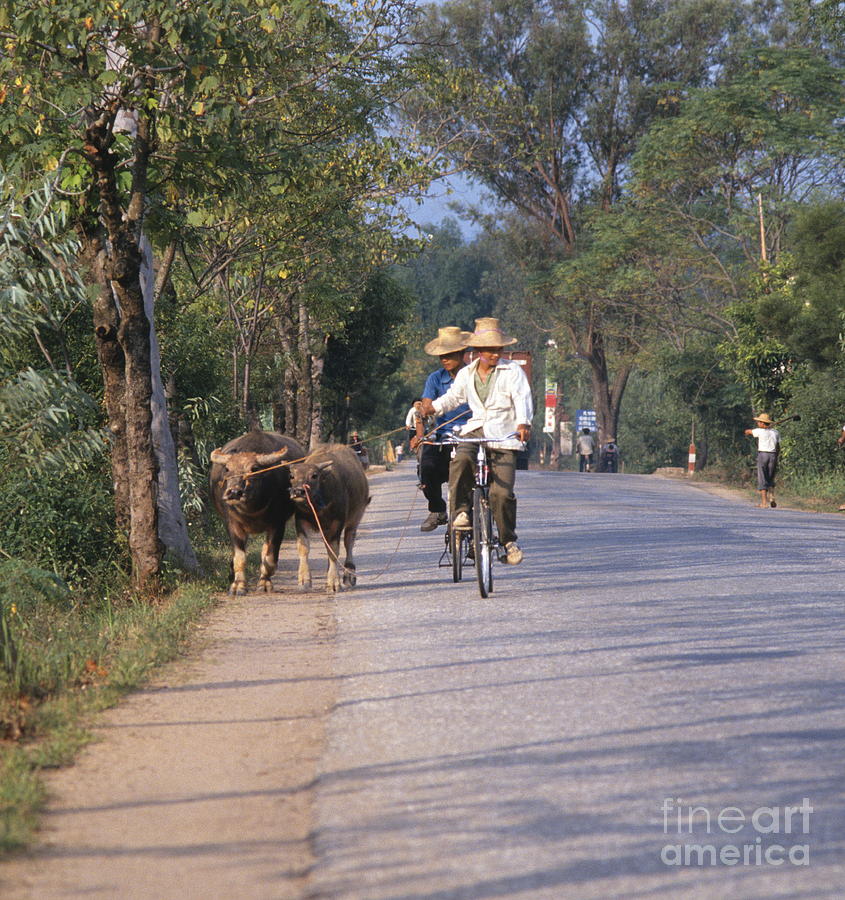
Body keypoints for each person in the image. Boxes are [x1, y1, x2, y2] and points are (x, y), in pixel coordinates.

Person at [420, 317, 533, 564]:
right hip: (475, 430)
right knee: (460, 461)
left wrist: (523, 423)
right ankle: (460, 513)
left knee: (502, 493)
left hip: (504, 434)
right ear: (478, 352)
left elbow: (522, 399)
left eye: (498, 349)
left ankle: (508, 541)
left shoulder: (512, 371)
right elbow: (451, 399)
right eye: (490, 350)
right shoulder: (467, 374)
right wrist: (433, 409)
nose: (495, 354)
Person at [410, 328, 472, 532]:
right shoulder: (435, 379)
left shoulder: (473, 376)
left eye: (449, 354)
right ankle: (437, 509)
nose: (444, 359)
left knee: (481, 475)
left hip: (473, 435)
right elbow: (425, 408)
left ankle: (479, 523)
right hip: (444, 436)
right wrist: (420, 435)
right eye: (441, 355)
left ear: (462, 354)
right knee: (426, 466)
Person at [744, 412, 780, 508]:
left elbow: (748, 431)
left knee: (762, 478)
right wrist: (776, 457)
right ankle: (771, 495)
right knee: (770, 477)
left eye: (759, 422)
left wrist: (747, 431)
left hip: (763, 455)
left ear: (763, 424)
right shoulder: (775, 432)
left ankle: (764, 503)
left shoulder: (759, 431)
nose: (758, 423)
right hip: (773, 456)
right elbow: (778, 446)